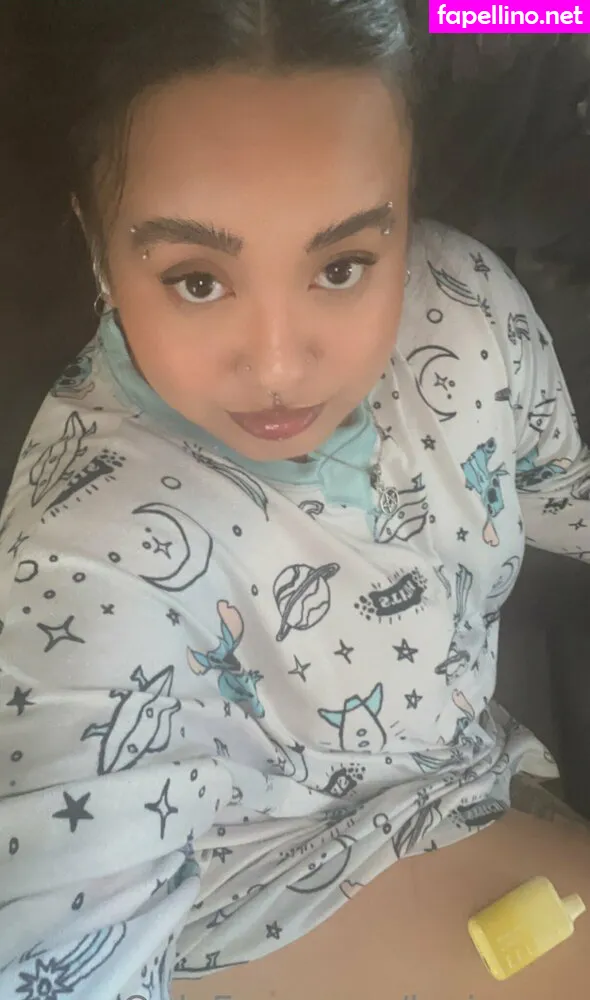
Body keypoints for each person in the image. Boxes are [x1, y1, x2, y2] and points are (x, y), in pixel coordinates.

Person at [0, 2, 589, 999]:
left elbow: (557, 495)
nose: (278, 367)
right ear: (98, 246)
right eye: (197, 280)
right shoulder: (88, 555)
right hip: (247, 888)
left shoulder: (467, 310)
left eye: (343, 265)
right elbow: (54, 946)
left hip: (472, 779)